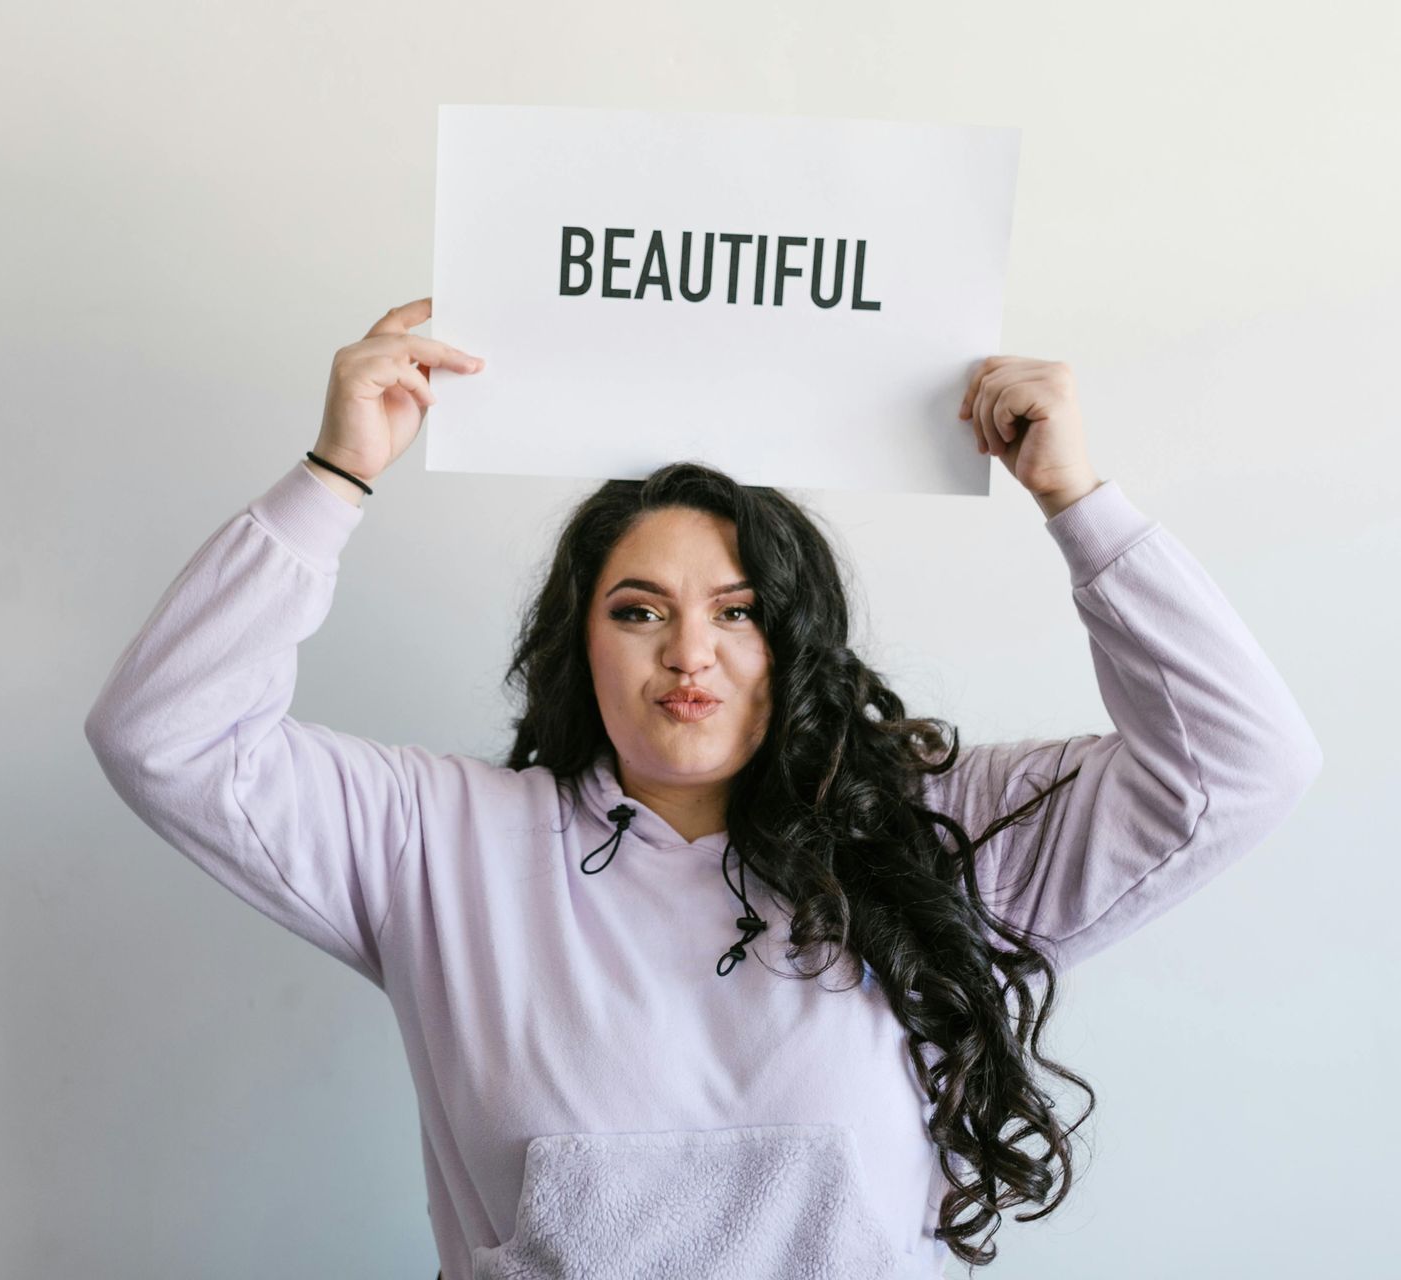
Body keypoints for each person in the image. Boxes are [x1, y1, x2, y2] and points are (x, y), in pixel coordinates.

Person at [84, 297, 1323, 1278]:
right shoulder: (434, 837)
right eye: (641, 611)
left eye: (740, 613)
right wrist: (334, 475)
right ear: (581, 640)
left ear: (799, 641)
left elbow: (1240, 759)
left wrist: (1078, 501)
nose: (690, 654)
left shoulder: (942, 831)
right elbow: (166, 734)